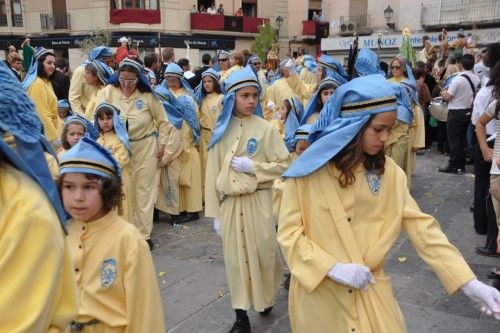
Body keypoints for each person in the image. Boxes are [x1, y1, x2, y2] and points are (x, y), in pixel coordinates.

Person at [278, 74, 500, 332]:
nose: (385, 138)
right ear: (354, 124)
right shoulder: (305, 173)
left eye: (390, 129)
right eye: (378, 129)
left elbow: (423, 229)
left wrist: (468, 283)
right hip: (319, 301)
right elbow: (289, 235)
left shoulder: (390, 173)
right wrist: (331, 268)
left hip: (370, 295)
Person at [205, 66, 291, 332]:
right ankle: (240, 316)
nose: (251, 100)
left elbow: (284, 164)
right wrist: (216, 214)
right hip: (231, 206)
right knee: (235, 261)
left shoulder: (266, 130)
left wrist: (253, 168)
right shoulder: (221, 132)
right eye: (245, 95)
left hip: (259, 202)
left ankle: (265, 298)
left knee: (264, 255)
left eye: (254, 95)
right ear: (233, 97)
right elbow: (212, 173)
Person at [0, 60, 78, 332]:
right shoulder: (36, 84)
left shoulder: (24, 212)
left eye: (53, 62)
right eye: (47, 61)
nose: (51, 66)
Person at [58, 137, 165, 332]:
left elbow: (144, 314)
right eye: (69, 187)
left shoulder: (128, 240)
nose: (78, 197)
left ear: (107, 189)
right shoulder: (60, 235)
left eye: (89, 187)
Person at [96, 58, 170, 249]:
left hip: (144, 147)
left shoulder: (147, 96)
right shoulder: (109, 92)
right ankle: (122, 231)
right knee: (122, 190)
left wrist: (162, 145)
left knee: (143, 192)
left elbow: (163, 122)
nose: (127, 84)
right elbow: (95, 116)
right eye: (123, 79)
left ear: (139, 79)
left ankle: (143, 235)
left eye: (131, 81)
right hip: (118, 149)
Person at [163, 62, 202, 221]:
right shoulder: (164, 94)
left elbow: (193, 120)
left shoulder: (187, 97)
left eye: (174, 80)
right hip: (171, 140)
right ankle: (179, 209)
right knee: (176, 179)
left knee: (190, 178)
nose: (171, 83)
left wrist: (188, 140)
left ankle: (193, 211)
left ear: (180, 79)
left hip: (186, 141)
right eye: (168, 80)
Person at [440, 54, 480, 173]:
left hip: (456, 112)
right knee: (462, 138)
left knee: (453, 139)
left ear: (461, 65)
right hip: (468, 111)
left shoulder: (458, 79)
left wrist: (443, 92)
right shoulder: (476, 78)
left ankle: (453, 164)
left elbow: (448, 97)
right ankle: (461, 164)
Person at [93, 102, 133, 223]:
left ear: (115, 119)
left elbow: (121, 160)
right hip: (102, 182)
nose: (105, 122)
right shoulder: (98, 140)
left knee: (121, 210)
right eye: (101, 119)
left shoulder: (121, 139)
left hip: (118, 180)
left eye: (109, 118)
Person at [154, 85, 184, 224]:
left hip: (169, 161)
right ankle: (154, 214)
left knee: (170, 187)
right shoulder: (155, 120)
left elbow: (173, 146)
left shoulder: (175, 122)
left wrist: (162, 160)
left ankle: (174, 215)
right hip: (155, 160)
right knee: (154, 188)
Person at [23, 47, 60, 144]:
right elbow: (42, 113)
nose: (53, 66)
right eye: (49, 63)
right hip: (46, 135)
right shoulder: (37, 83)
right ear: (39, 64)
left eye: (54, 63)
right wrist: (54, 137)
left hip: (53, 128)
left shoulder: (46, 81)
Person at [196, 68, 223, 198]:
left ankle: (215, 195)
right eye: (204, 81)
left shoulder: (221, 98)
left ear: (215, 83)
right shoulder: (201, 98)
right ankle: (204, 196)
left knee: (214, 167)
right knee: (203, 166)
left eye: (210, 81)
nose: (206, 84)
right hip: (203, 136)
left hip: (216, 137)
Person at [69, 46, 114, 116]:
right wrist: (83, 117)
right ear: (98, 60)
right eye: (107, 62)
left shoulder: (109, 70)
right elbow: (73, 97)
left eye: (111, 61)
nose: (110, 65)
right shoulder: (81, 71)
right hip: (86, 113)